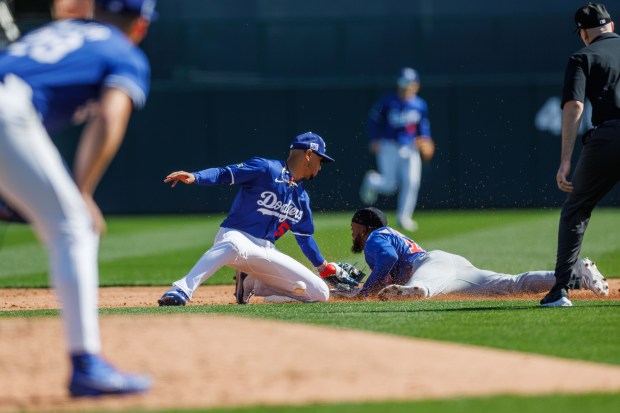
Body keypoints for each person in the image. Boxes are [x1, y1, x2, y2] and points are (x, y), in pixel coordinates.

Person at [0, 0, 157, 397]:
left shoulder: (54, 32)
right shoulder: (125, 52)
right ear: (141, 25)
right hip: (6, 111)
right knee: (73, 225)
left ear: (95, 11)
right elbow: (109, 117)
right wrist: (82, 191)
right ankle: (87, 365)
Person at [157, 132, 349, 306]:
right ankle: (181, 289)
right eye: (320, 160)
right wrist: (195, 176)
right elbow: (225, 173)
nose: (320, 166)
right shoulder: (266, 169)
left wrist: (324, 268)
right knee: (233, 245)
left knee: (320, 293)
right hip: (237, 236)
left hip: (266, 250)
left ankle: (255, 284)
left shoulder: (302, 198)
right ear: (308, 155)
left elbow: (305, 238)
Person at [344, 207, 608, 301]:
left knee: (421, 289)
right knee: (512, 284)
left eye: (354, 227)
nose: (352, 232)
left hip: (430, 265)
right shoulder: (389, 235)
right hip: (452, 267)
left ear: (364, 227)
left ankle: (418, 289)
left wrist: (365, 293)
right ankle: (578, 276)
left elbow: (388, 259)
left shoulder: (376, 237)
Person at [540, 2, 620, 307]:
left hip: (608, 137)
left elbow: (574, 106)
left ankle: (561, 290)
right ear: (611, 26)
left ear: (584, 34)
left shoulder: (582, 56)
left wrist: (565, 160)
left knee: (577, 208)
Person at [359, 67, 435, 232]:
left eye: (410, 83)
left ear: (416, 85)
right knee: (389, 185)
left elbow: (423, 127)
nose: (407, 87)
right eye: (403, 83)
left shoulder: (420, 105)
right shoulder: (388, 102)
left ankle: (404, 217)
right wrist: (374, 139)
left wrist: (427, 140)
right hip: (389, 146)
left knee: (412, 182)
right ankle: (372, 180)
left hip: (411, 147)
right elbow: (373, 121)